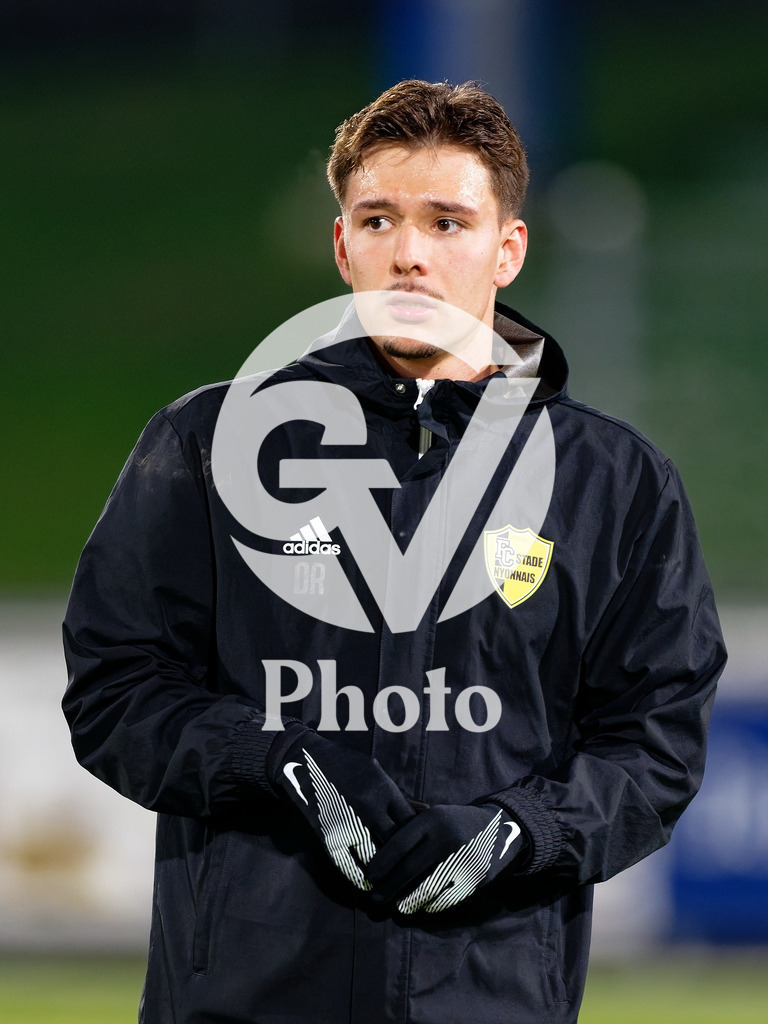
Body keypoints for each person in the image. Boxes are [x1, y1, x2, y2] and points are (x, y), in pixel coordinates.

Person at [62, 80, 726, 1024]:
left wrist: (513, 834)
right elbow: (115, 690)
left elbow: (656, 745)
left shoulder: (614, 483)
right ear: (343, 247)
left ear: (508, 249)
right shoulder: (208, 447)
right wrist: (277, 760)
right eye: (378, 219)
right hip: (242, 1002)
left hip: (492, 1002)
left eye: (448, 222)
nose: (409, 254)